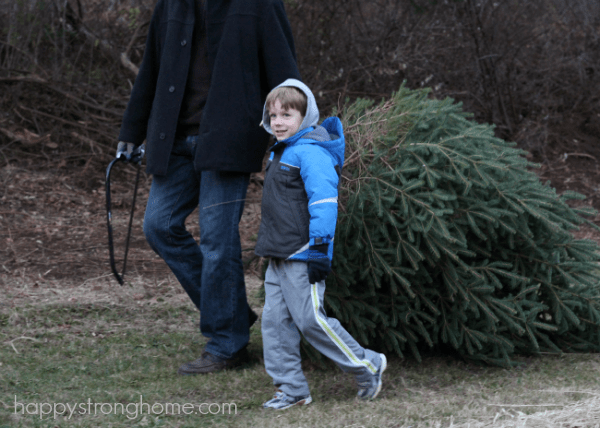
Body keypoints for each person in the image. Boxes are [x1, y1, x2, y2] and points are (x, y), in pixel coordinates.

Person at [115, 0, 301, 374]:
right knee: (159, 226)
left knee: (217, 240)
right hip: (174, 138)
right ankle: (231, 316)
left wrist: (296, 136)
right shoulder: (170, 3)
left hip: (229, 138)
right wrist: (131, 131)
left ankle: (227, 345)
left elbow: (285, 74)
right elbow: (151, 68)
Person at [254, 79, 387, 410]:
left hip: (303, 254)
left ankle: (368, 364)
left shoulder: (311, 153)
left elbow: (325, 204)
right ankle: (292, 389)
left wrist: (319, 250)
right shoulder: (280, 152)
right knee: (274, 324)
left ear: (306, 116)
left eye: (287, 115)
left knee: (311, 319)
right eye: (273, 116)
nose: (278, 122)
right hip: (279, 256)